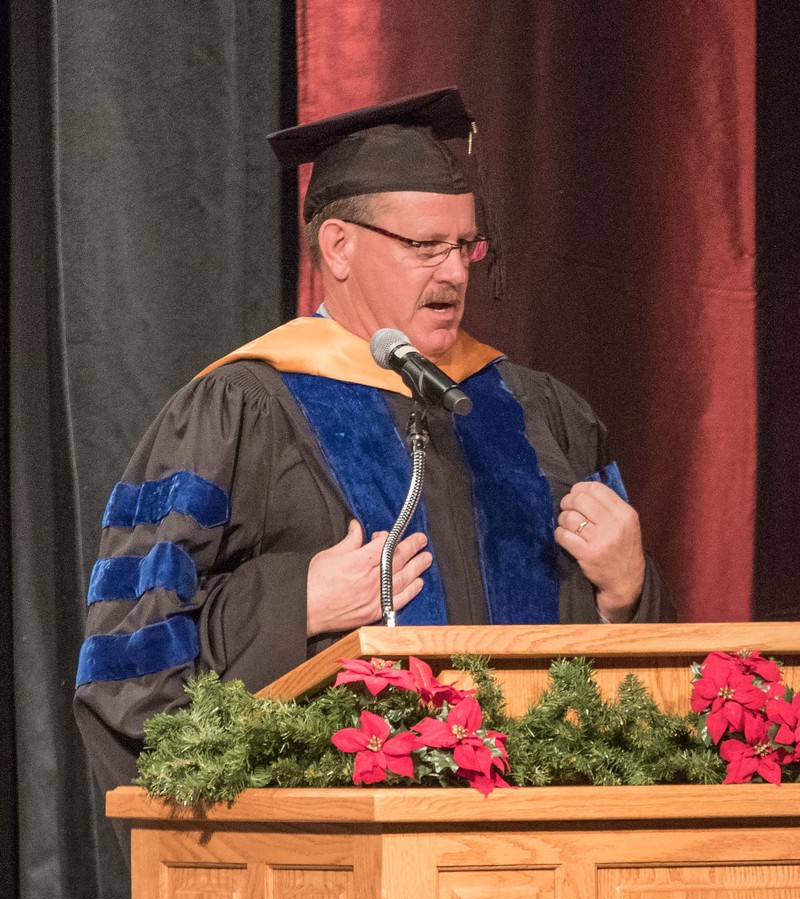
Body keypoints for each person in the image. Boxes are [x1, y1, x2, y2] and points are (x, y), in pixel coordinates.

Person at [74, 88, 674, 796]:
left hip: (538, 858)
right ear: (339, 248)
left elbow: (637, 707)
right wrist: (294, 606)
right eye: (424, 246)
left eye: (464, 245)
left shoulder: (542, 412)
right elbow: (129, 668)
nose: (453, 272)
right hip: (337, 865)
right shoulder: (242, 410)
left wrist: (626, 593)